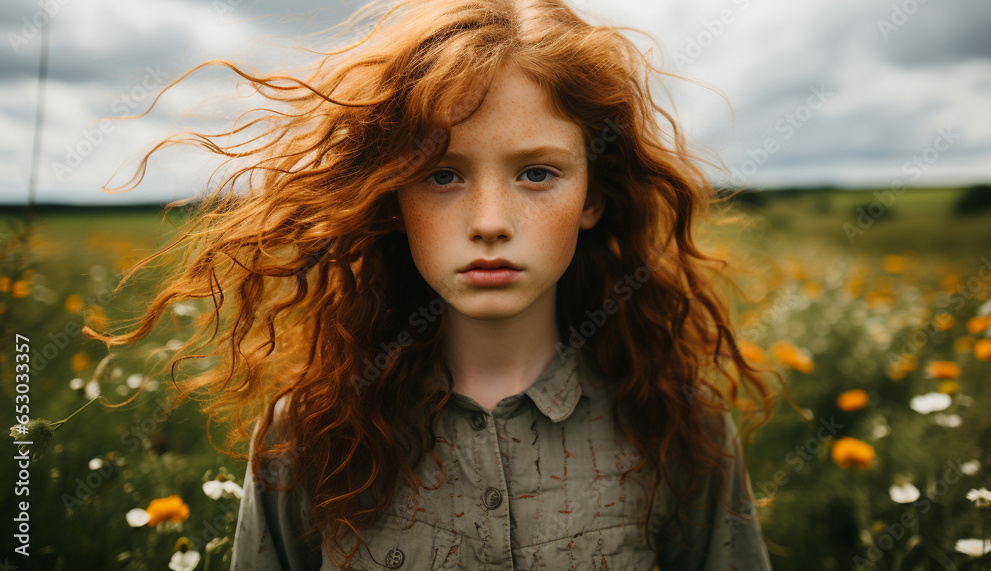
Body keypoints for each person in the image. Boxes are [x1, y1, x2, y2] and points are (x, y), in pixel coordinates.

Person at [86, 0, 778, 569]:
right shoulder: (305, 437)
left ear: (594, 194)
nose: (489, 223)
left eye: (537, 172)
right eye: (442, 175)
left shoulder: (680, 426)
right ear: (392, 197)